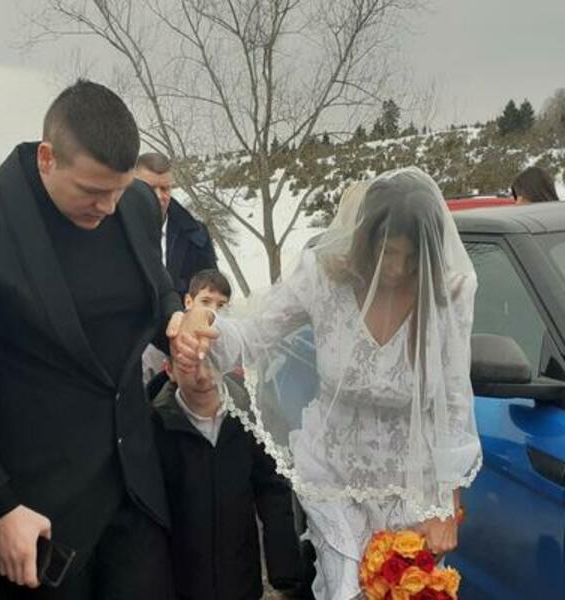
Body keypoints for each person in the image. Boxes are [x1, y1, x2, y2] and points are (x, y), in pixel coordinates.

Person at [173, 167, 482, 599]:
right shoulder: (324, 277)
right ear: (365, 239)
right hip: (336, 480)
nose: (397, 268)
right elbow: (254, 331)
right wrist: (202, 325)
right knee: (344, 589)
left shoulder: (449, 293)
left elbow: (453, 399)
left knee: (408, 589)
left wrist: (446, 504)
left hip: (414, 486)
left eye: (411, 258)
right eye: (388, 252)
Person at [0, 80, 183, 599]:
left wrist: (175, 318)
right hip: (36, 515)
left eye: (118, 189)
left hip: (136, 495)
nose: (108, 206)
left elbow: (154, 287)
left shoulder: (135, 204)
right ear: (47, 158)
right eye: (91, 191)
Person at [151, 352, 302, 600]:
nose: (203, 375)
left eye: (211, 361)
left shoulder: (247, 416)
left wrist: (284, 566)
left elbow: (271, 487)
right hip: (181, 584)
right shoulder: (156, 426)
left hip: (240, 578)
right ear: (169, 369)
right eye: (189, 365)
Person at [136, 153, 218, 297]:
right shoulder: (112, 230)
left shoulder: (196, 236)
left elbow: (210, 294)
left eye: (165, 189)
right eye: (149, 189)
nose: (159, 197)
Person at [145, 269, 231, 399]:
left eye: (221, 306)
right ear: (188, 302)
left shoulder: (226, 343)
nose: (212, 310)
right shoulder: (165, 335)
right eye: (205, 302)